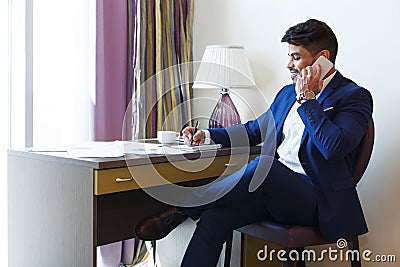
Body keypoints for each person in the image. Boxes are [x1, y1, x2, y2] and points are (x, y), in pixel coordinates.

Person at [135, 18, 373, 266]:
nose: (288, 64)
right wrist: (206, 135)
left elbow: (334, 148)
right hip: (277, 192)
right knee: (215, 217)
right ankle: (192, 208)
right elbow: (253, 131)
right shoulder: (286, 93)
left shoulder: (353, 97)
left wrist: (308, 100)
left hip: (319, 201)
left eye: (296, 57)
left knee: (266, 166)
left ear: (323, 58)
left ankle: (185, 208)